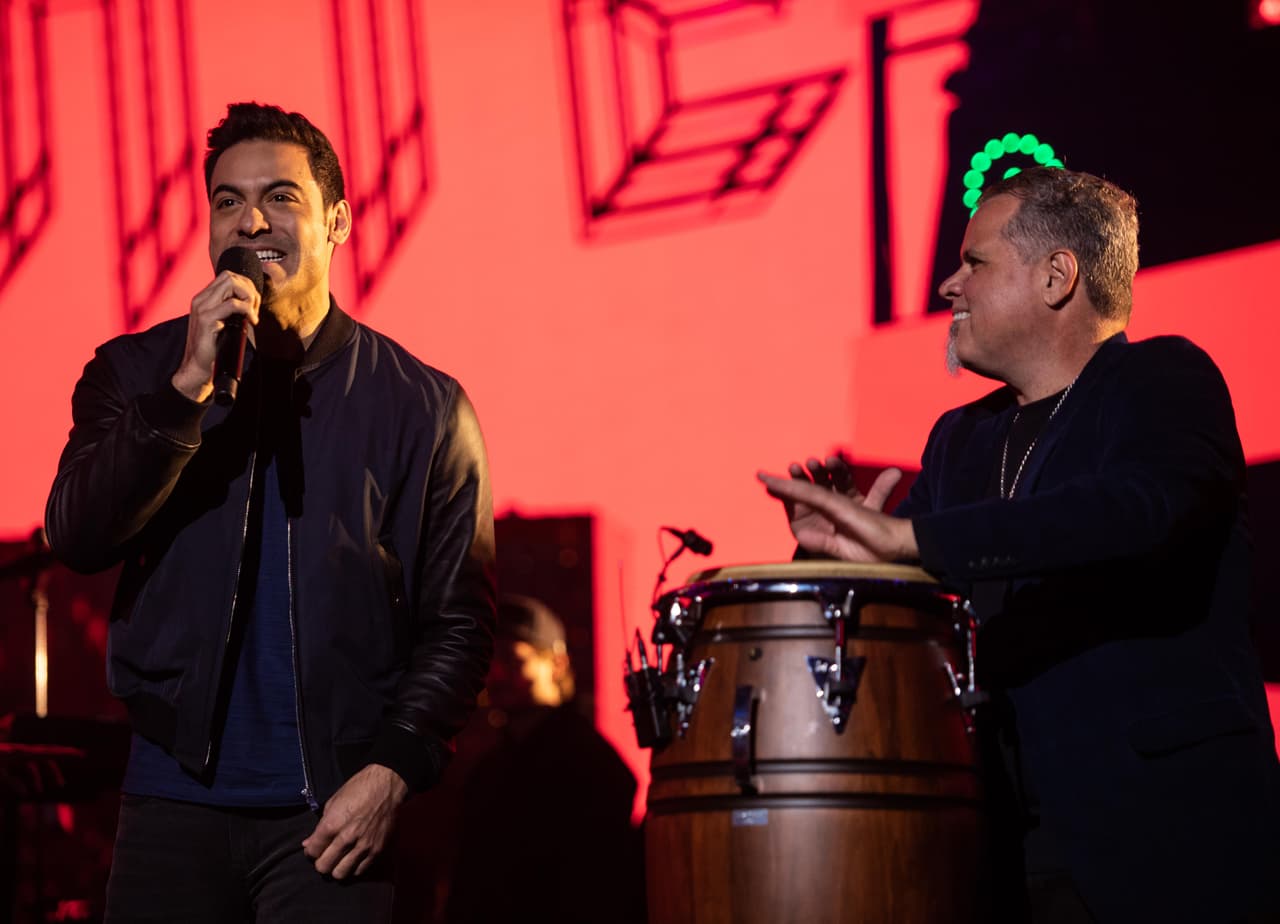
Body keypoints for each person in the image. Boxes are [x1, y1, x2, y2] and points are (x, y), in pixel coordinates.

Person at [758, 167, 1280, 922]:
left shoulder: (1162, 377)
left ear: (1057, 276)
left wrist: (911, 537)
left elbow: (1138, 511)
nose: (948, 286)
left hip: (1161, 832)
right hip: (1000, 842)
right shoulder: (961, 439)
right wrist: (841, 555)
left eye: (975, 263)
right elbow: (914, 597)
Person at [44, 102, 495, 921]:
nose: (250, 220)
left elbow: (458, 621)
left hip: (333, 815)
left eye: (280, 197)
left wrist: (392, 770)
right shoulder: (135, 372)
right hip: (170, 806)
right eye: (226, 200)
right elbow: (76, 535)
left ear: (338, 222)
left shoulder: (422, 407)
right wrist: (183, 397)